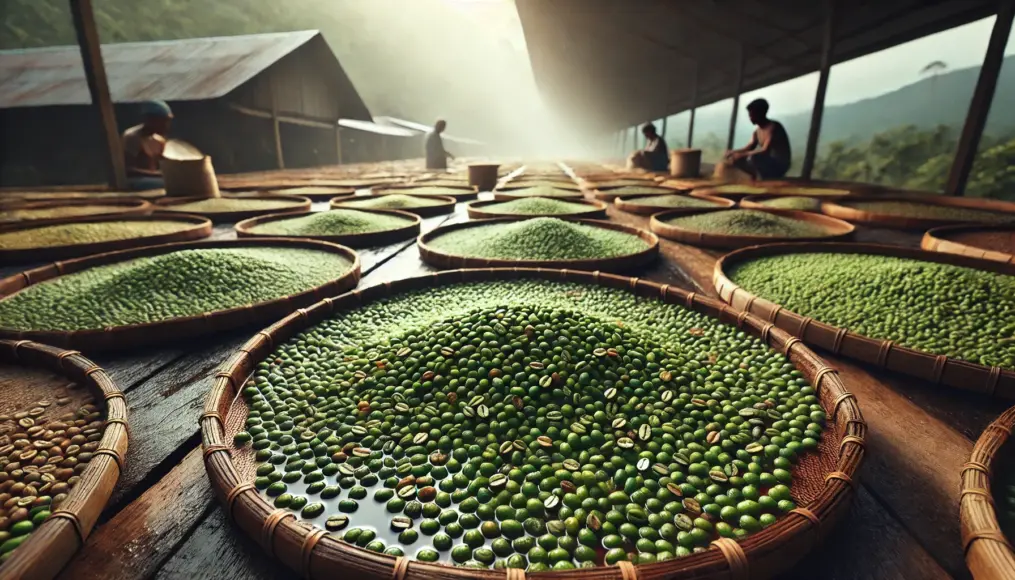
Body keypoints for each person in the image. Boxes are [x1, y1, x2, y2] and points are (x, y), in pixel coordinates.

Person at [725, 98, 791, 180]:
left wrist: (742, 155)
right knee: (735, 158)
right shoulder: (756, 132)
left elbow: (764, 150)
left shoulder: (773, 127)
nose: (750, 117)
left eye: (752, 115)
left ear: (761, 113)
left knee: (754, 157)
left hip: (779, 164)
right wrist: (733, 152)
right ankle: (755, 175)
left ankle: (765, 178)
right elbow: (748, 147)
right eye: (749, 115)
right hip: (767, 163)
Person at [122, 100, 173, 190]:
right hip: (135, 180)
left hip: (153, 178)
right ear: (150, 119)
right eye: (163, 121)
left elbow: (163, 165)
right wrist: (158, 174)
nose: (166, 125)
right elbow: (128, 170)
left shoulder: (159, 140)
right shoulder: (132, 137)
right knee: (167, 184)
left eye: (167, 121)